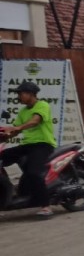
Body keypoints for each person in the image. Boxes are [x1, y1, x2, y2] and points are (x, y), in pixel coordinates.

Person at [0, 80, 56, 216]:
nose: (18, 97)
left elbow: (35, 121)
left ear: (31, 94)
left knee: (34, 173)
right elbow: (14, 131)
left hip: (43, 145)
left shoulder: (42, 105)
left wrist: (17, 127)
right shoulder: (23, 111)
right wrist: (4, 135)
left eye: (20, 94)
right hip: (27, 145)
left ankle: (46, 206)